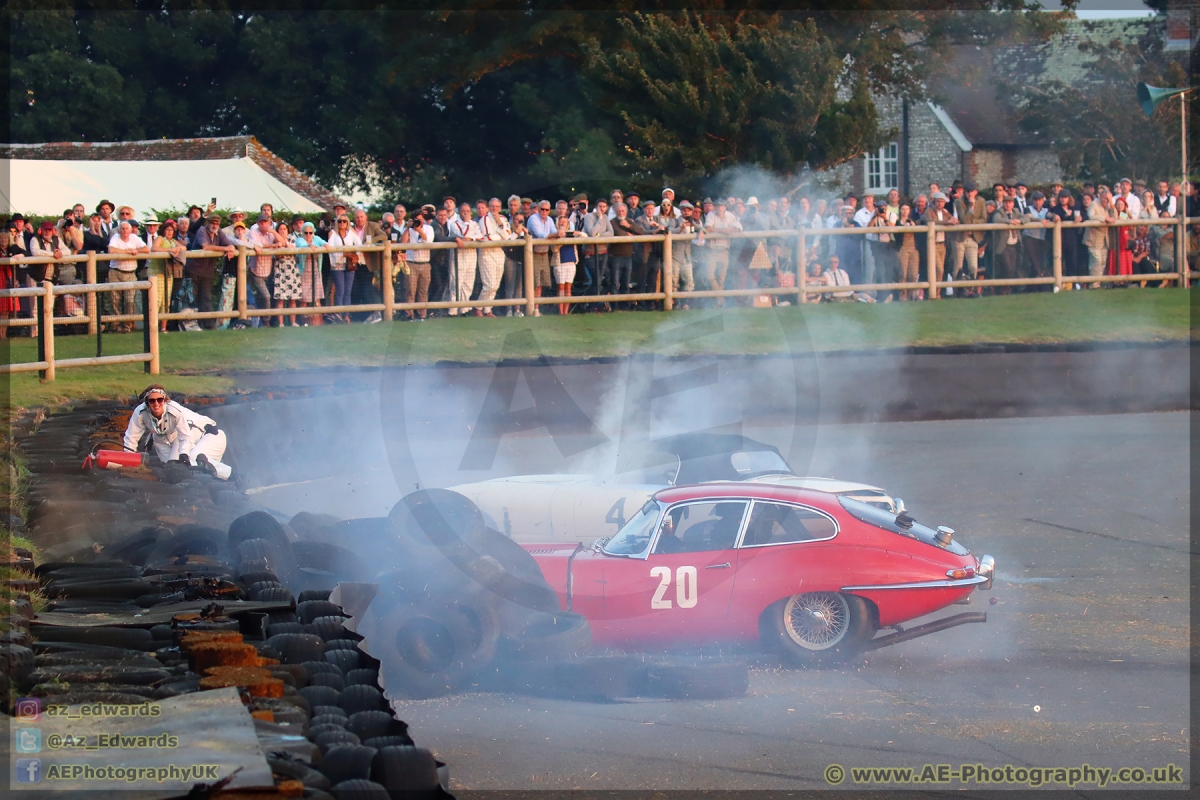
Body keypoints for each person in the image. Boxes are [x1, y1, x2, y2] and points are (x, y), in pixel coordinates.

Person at [124, 385, 232, 480]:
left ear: (165, 400)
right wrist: (128, 461)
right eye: (152, 401)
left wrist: (184, 453)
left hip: (210, 434)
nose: (156, 404)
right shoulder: (140, 412)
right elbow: (131, 437)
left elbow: (185, 436)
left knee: (191, 459)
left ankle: (230, 474)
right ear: (147, 402)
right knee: (172, 469)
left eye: (159, 400)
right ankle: (210, 471)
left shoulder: (175, 411)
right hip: (168, 440)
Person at [189, 214, 236, 328]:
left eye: (217, 223)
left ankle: (209, 325)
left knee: (206, 298)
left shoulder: (219, 232)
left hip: (207, 271)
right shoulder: (202, 231)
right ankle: (188, 324)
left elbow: (229, 244)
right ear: (207, 223)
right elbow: (206, 246)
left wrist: (231, 249)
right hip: (194, 269)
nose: (214, 225)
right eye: (212, 223)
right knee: (191, 297)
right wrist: (226, 249)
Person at [107, 221, 149, 332]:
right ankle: (116, 325)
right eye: (122, 229)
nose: (124, 231)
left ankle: (127, 326)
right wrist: (128, 252)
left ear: (130, 230)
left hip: (130, 273)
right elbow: (111, 250)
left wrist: (136, 250)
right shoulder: (115, 237)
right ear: (119, 230)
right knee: (115, 300)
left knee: (129, 300)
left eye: (126, 229)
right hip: (115, 272)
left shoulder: (134, 238)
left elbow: (146, 249)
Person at [477, 198, 511, 317]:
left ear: (500, 208)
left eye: (497, 206)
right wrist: (501, 235)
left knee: (496, 284)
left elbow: (508, 236)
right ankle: (478, 307)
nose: (494, 209)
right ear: (489, 208)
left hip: (499, 252)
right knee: (489, 284)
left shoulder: (503, 219)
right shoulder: (484, 219)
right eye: (492, 206)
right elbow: (489, 237)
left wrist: (499, 224)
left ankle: (487, 309)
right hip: (487, 253)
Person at [448, 202, 483, 316]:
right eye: (463, 211)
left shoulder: (475, 224)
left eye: (468, 211)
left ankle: (464, 309)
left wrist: (471, 238)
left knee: (468, 282)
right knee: (456, 282)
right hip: (459, 255)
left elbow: (479, 236)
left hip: (471, 255)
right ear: (459, 212)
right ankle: (453, 310)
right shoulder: (454, 224)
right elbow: (462, 235)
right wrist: (469, 235)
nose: (466, 213)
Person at [326, 215, 362, 323]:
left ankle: (346, 315)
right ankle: (338, 314)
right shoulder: (333, 233)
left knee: (348, 290)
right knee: (340, 290)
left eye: (344, 221)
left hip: (349, 264)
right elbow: (331, 248)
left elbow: (359, 244)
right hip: (337, 264)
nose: (342, 223)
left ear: (347, 223)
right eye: (340, 221)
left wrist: (356, 256)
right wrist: (344, 254)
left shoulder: (351, 232)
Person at [151, 219, 185, 331]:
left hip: (169, 273)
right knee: (157, 300)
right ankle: (153, 326)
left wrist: (177, 248)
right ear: (163, 230)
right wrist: (169, 250)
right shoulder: (159, 239)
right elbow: (154, 248)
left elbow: (184, 248)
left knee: (167, 300)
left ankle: (163, 327)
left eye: (171, 230)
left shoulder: (173, 241)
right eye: (167, 229)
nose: (170, 232)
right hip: (157, 273)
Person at [550, 212, 586, 315]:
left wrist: (577, 233)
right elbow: (554, 248)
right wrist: (561, 237)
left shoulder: (572, 233)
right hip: (559, 264)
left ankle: (566, 311)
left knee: (568, 287)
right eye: (561, 222)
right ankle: (561, 311)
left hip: (571, 263)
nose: (563, 224)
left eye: (565, 222)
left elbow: (585, 236)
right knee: (561, 288)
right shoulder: (555, 234)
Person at [922, 192, 957, 296]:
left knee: (941, 269)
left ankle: (938, 293)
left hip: (943, 244)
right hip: (933, 244)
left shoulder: (946, 212)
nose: (940, 204)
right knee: (938, 268)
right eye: (938, 201)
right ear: (934, 202)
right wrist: (947, 222)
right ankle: (934, 292)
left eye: (942, 202)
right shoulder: (929, 211)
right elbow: (931, 221)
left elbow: (952, 220)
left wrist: (954, 221)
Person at [402, 209, 434, 320]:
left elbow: (428, 241)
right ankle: (409, 314)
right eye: (417, 219)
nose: (418, 221)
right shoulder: (408, 230)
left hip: (425, 263)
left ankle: (422, 314)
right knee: (410, 290)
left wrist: (420, 230)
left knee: (423, 290)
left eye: (420, 219)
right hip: (411, 263)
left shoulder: (429, 228)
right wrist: (408, 228)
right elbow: (403, 243)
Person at [295, 222, 327, 325]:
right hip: (304, 271)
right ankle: (301, 320)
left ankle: (318, 320)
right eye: (306, 233)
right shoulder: (300, 239)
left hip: (316, 270)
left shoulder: (316, 238)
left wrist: (325, 244)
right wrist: (309, 245)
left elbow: (323, 242)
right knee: (304, 299)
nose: (308, 235)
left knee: (317, 297)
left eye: (310, 233)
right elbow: (301, 245)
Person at [272, 220, 303, 325]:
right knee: (280, 299)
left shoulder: (292, 239)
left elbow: (293, 251)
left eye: (284, 229)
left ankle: (293, 322)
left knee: (293, 299)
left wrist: (285, 244)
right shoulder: (274, 241)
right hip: (280, 269)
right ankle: (281, 323)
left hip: (292, 269)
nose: (283, 231)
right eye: (280, 229)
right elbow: (278, 255)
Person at [895, 203, 920, 300]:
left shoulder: (914, 221)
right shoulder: (897, 222)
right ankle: (902, 295)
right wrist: (903, 224)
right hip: (903, 248)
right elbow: (897, 236)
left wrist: (913, 225)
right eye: (903, 209)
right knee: (903, 273)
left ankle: (911, 295)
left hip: (913, 248)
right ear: (900, 211)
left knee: (913, 274)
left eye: (907, 209)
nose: (905, 211)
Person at [1107, 197, 1134, 280]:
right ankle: (1114, 280)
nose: (1119, 206)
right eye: (1118, 204)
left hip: (1124, 242)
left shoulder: (1126, 215)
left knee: (1124, 261)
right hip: (1114, 241)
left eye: (1121, 204)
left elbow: (1131, 227)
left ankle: (1125, 280)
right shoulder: (1112, 214)